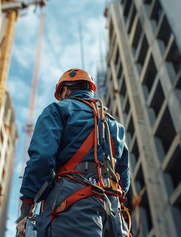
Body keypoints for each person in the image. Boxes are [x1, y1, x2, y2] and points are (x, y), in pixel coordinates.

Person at [16, 68, 130, 237]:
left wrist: (27, 207)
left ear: (65, 90)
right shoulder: (114, 125)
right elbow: (124, 179)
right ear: (89, 89)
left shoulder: (58, 110)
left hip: (73, 209)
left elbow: (42, 159)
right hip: (114, 216)